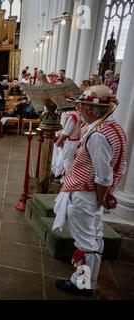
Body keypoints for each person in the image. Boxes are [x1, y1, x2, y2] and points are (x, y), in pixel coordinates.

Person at [53, 85, 126, 296]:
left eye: (83, 105)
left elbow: (103, 174)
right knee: (93, 238)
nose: (80, 109)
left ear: (92, 110)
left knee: (85, 242)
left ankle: (81, 283)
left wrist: (101, 197)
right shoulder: (113, 128)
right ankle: (87, 281)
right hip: (91, 193)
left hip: (85, 193)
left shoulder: (98, 135)